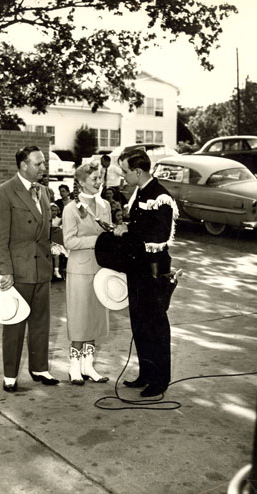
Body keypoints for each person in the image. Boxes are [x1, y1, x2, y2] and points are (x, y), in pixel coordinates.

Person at [0, 145, 59, 392]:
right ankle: (10, 374)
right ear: (23, 165)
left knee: (41, 323)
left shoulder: (45, 192)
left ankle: (39, 368)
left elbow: (47, 231)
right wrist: (4, 270)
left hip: (41, 268)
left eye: (43, 163)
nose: (43, 168)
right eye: (38, 164)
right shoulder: (3, 192)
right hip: (17, 271)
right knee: (15, 324)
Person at [114, 149, 179, 398]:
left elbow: (160, 236)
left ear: (138, 171)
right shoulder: (140, 192)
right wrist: (126, 227)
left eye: (125, 171)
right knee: (139, 322)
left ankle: (160, 379)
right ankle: (146, 373)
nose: (123, 176)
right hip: (138, 267)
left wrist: (128, 232)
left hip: (153, 270)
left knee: (155, 323)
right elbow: (142, 226)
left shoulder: (160, 197)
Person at [62, 162, 111, 385]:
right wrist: (97, 241)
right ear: (81, 182)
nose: (98, 182)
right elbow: (69, 241)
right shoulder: (70, 208)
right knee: (79, 318)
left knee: (94, 318)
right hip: (79, 270)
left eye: (100, 177)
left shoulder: (105, 205)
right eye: (94, 179)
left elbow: (109, 235)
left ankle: (88, 365)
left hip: (100, 270)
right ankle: (74, 367)